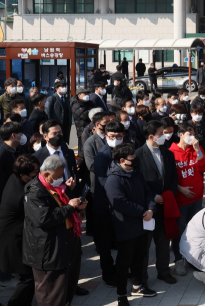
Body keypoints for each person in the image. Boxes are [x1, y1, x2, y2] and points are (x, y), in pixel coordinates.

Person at [23, 155, 87, 306]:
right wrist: (70, 207)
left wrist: (76, 208)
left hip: (65, 243)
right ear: (46, 174)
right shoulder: (35, 192)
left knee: (66, 289)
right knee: (51, 294)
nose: (61, 179)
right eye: (58, 176)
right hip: (49, 251)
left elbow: (62, 210)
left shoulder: (56, 188)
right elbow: (45, 219)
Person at [105, 143, 157, 304]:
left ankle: (137, 285)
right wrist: (143, 212)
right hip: (126, 226)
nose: (136, 159)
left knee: (139, 258)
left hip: (143, 224)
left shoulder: (136, 172)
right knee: (124, 261)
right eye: (132, 157)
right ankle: (121, 294)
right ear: (122, 160)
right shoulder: (113, 179)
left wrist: (150, 209)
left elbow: (148, 192)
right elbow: (119, 203)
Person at [136, 120, 179, 286]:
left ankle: (164, 271)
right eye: (161, 134)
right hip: (148, 207)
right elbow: (139, 182)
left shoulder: (167, 153)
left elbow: (173, 177)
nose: (165, 136)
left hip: (165, 204)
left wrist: (169, 195)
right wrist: (153, 197)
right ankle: (142, 277)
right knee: (145, 245)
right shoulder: (138, 154)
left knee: (163, 241)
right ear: (151, 136)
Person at [169, 123, 205, 277]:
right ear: (181, 134)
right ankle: (179, 260)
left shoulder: (197, 150)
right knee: (179, 231)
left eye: (194, 134)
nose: (192, 137)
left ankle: (192, 258)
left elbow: (204, 167)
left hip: (197, 199)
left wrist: (198, 150)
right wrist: (180, 188)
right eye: (189, 134)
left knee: (194, 231)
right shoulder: (171, 152)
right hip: (180, 201)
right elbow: (168, 178)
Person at [0, 154, 39, 306]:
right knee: (28, 277)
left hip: (15, 235)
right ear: (23, 175)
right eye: (35, 172)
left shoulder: (16, 178)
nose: (38, 173)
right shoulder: (20, 194)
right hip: (13, 240)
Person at [92, 121, 124, 288]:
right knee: (105, 244)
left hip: (118, 205)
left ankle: (119, 270)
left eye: (119, 136)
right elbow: (105, 182)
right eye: (112, 137)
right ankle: (108, 274)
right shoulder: (102, 156)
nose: (116, 139)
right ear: (106, 137)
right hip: (105, 206)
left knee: (119, 241)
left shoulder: (124, 151)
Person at [0, 122, 27, 201]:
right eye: (21, 134)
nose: (23, 137)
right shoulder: (2, 155)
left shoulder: (19, 151)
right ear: (13, 135)